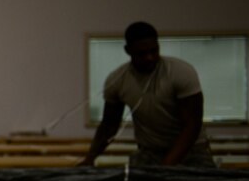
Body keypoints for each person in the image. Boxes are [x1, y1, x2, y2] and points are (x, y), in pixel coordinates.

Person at [82, 21, 215, 168]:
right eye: (142, 53)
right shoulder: (117, 80)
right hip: (150, 151)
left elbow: (192, 125)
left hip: (192, 150)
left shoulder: (181, 72)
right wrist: (90, 158)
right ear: (128, 50)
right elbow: (109, 126)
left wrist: (166, 166)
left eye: (154, 50)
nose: (150, 57)